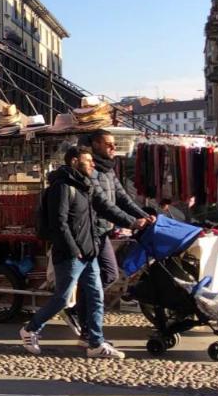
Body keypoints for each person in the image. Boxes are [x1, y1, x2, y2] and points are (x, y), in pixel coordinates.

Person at [19, 146, 147, 359]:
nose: (93, 164)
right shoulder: (61, 188)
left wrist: (134, 222)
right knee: (62, 299)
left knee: (96, 296)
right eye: (89, 161)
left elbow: (107, 208)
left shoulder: (87, 186)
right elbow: (59, 224)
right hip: (70, 255)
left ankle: (96, 344)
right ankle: (30, 329)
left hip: (90, 252)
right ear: (75, 162)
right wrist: (74, 249)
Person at [86, 130, 154, 324]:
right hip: (91, 231)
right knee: (107, 274)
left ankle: (82, 314)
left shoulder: (108, 169)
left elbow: (122, 197)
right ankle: (84, 317)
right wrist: (131, 222)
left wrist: (144, 216)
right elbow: (103, 204)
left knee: (106, 275)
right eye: (109, 144)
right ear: (96, 145)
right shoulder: (90, 170)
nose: (114, 148)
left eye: (114, 144)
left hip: (104, 230)